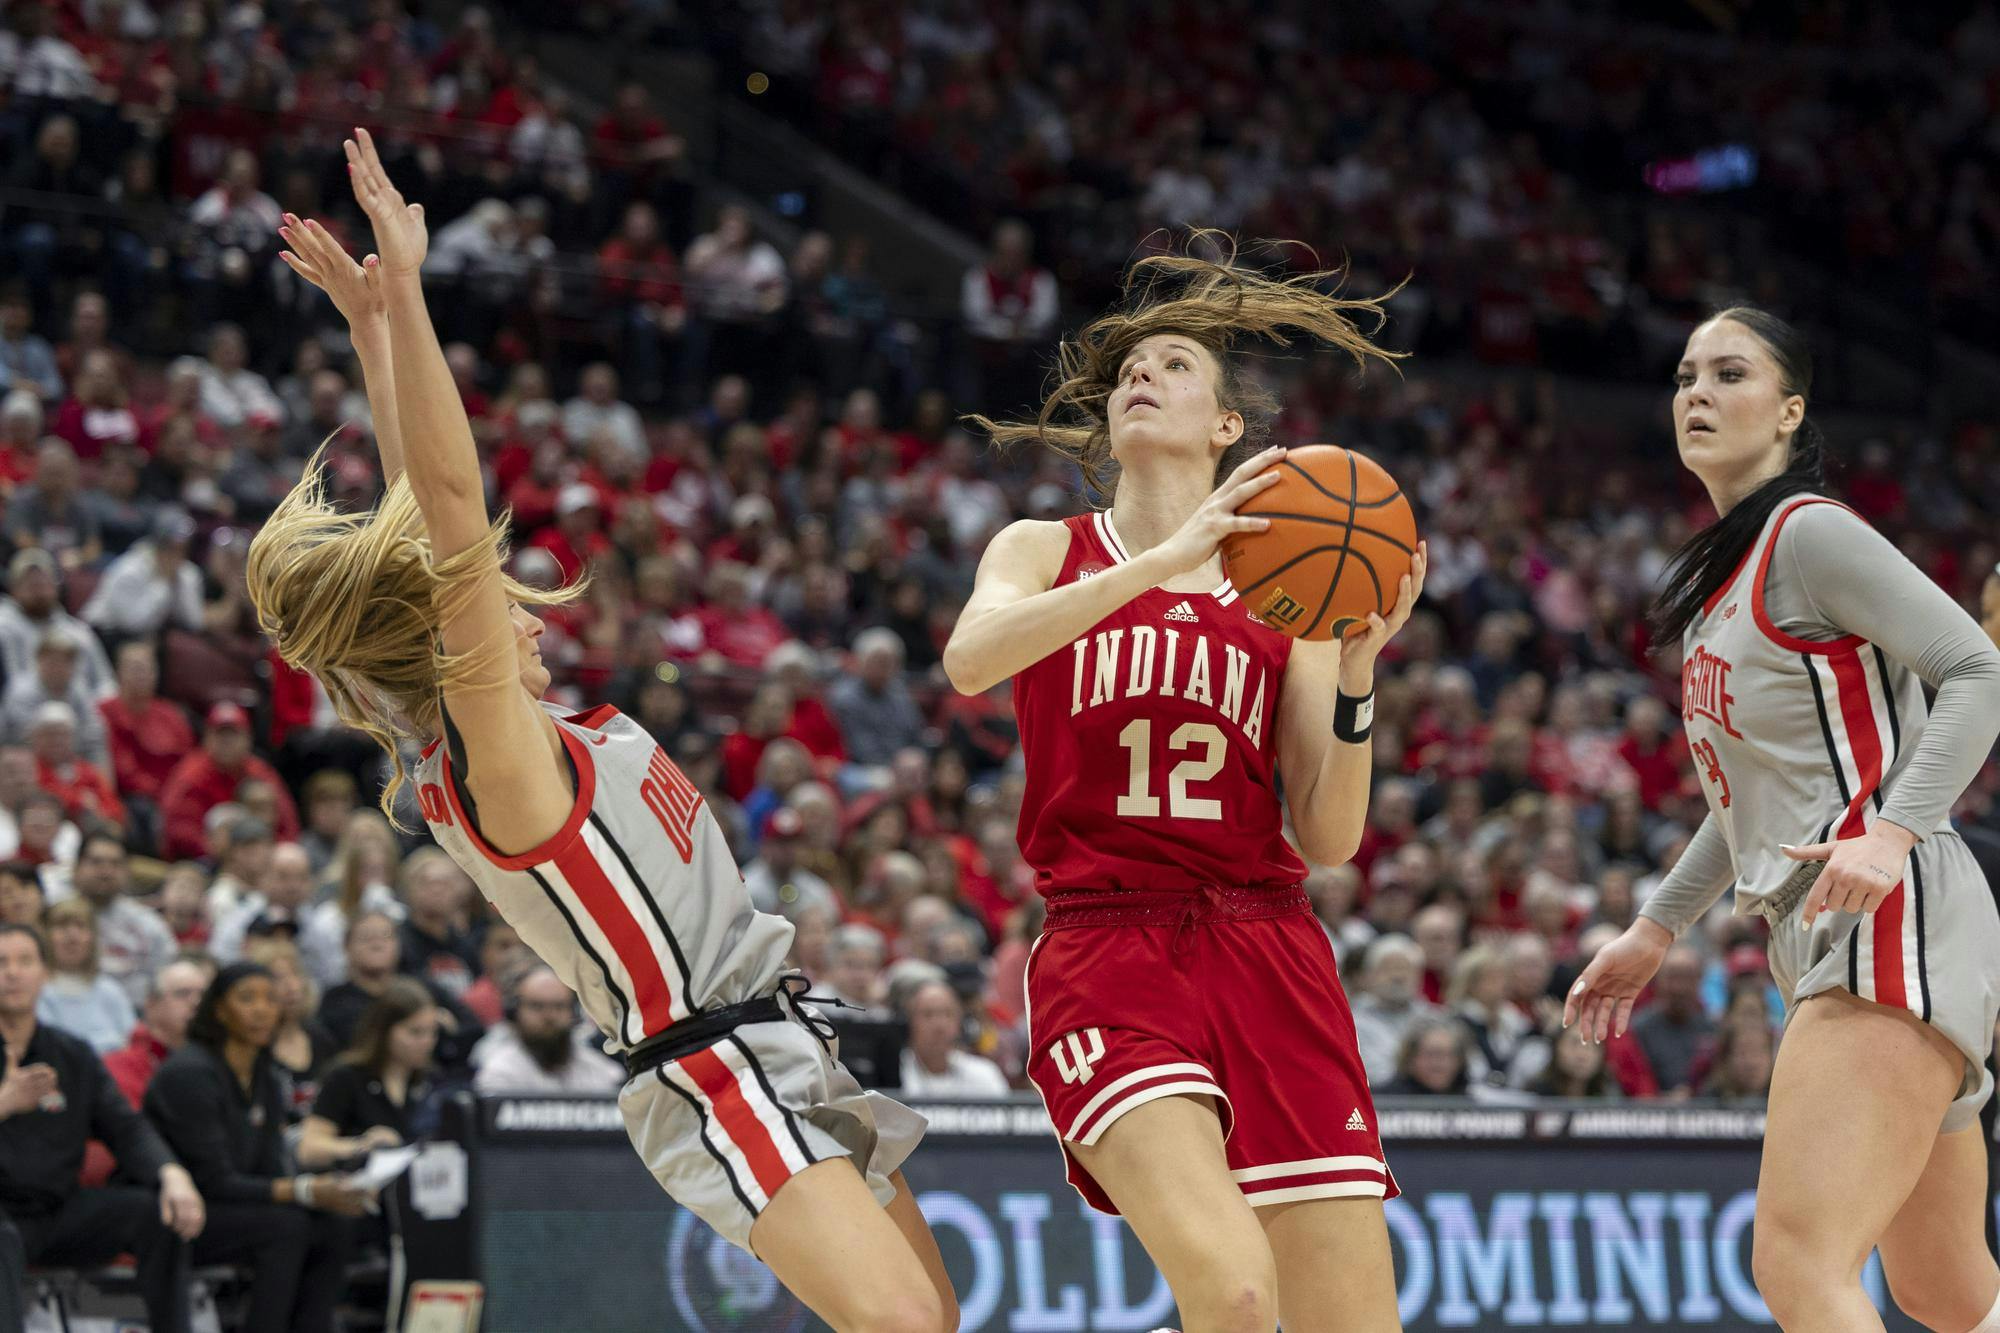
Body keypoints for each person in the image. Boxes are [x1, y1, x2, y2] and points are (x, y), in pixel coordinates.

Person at [247, 133, 955, 1330]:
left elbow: (430, 513)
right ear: (445, 642)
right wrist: (412, 296)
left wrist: (371, 333)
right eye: (487, 597)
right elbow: (455, 510)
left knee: (926, 1322)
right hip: (709, 1062)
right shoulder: (496, 762)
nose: (517, 600)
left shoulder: (525, 728)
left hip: (780, 1035)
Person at [943, 234, 1423, 1329]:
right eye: (1125, 374)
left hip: (1268, 943)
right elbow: (971, 659)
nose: (1138, 380)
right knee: (1234, 1288)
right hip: (1111, 944)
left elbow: (1332, 833)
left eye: (1169, 366)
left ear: (1224, 428)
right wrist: (1160, 563)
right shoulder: (1040, 548)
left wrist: (1353, 669)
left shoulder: (1287, 590)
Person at [1567, 306, 2000, 1332]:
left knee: (1795, 1262)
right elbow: (1745, 800)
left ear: (1788, 410)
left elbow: (1975, 667)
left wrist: (1891, 830)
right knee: (1945, 1289)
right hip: (1830, 928)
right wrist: (1654, 925)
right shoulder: (1731, 569)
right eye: (1682, 376)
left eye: (1727, 374)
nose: (1696, 394)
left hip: (1887, 912)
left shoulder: (1808, 533)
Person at [0, 924, 204, 1333]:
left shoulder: (72, 1054)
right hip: (2, 1216)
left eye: (25, 961)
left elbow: (125, 1126)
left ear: (45, 973)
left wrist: (172, 1173)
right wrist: (5, 1103)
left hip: (57, 1209)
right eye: (1, 963)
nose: (13, 973)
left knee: (157, 1214)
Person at [145, 963, 362, 1333]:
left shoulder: (264, 1071)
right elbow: (213, 1180)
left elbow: (270, 1165)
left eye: (270, 999)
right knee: (286, 1227)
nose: (262, 1009)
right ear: (219, 1010)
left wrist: (323, 1192)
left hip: (237, 1206)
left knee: (335, 1225)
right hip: (178, 1214)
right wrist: (305, 1191)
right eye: (247, 999)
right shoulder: (190, 1074)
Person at [299, 978, 437, 1169]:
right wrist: (362, 1146)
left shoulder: (429, 1080)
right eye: (415, 1033)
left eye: (432, 1033)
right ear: (384, 1030)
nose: (427, 1042)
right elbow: (309, 1149)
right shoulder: (347, 1078)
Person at [58, 832, 175, 1007]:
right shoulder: (54, 918)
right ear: (76, 868)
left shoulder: (148, 923)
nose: (106, 872)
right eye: (96, 862)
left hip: (135, 1014)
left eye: (115, 864)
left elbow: (168, 978)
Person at [471, 963, 625, 1095]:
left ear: (574, 1012)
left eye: (559, 1006)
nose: (549, 1016)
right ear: (514, 1012)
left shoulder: (602, 1072)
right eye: (536, 1006)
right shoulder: (499, 1071)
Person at [35, 899, 135, 1053]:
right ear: (45, 935)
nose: (72, 937)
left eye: (81, 926)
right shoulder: (35, 992)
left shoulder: (110, 991)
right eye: (62, 926)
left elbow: (132, 1043)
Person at [897, 979, 1009, 1097]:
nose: (939, 1025)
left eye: (948, 1014)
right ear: (910, 1022)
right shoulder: (893, 1073)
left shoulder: (985, 1073)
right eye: (928, 1014)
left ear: (959, 1023)